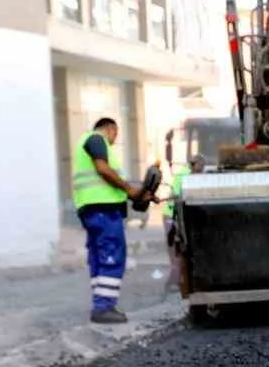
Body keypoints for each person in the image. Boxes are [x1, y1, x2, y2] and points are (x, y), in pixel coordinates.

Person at [73, 117, 148, 324]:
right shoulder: (97, 139)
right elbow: (103, 169)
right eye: (116, 135)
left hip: (91, 210)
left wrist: (134, 192)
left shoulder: (85, 142)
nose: (115, 140)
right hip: (103, 210)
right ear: (112, 130)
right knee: (113, 254)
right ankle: (104, 307)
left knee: (99, 257)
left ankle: (101, 304)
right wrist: (129, 190)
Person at [165, 154, 203, 294]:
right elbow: (179, 198)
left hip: (175, 216)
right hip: (171, 216)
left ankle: (176, 284)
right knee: (177, 255)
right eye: (200, 166)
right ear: (194, 164)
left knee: (179, 254)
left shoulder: (189, 174)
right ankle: (171, 287)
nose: (202, 169)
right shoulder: (185, 176)